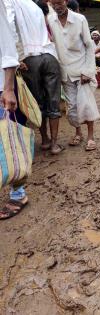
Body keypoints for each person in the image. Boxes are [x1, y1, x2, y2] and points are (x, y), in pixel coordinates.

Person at [6, 0, 63, 155]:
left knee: (38, 102)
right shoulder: (34, 5)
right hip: (49, 56)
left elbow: (10, 28)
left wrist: (17, 57)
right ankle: (55, 144)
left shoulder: (9, 3)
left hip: (30, 59)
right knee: (53, 101)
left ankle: (45, 140)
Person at [49, 0, 99, 151]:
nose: (57, 7)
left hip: (81, 70)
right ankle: (78, 132)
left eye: (60, 3)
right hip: (65, 72)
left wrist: (87, 71)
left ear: (65, 1)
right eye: (54, 4)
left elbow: (89, 46)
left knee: (87, 105)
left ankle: (90, 137)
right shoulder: (50, 20)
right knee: (72, 108)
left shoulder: (79, 19)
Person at [0, 0, 29, 219]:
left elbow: (7, 46)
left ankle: (18, 192)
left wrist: (8, 88)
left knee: (9, 138)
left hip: (1, 87)